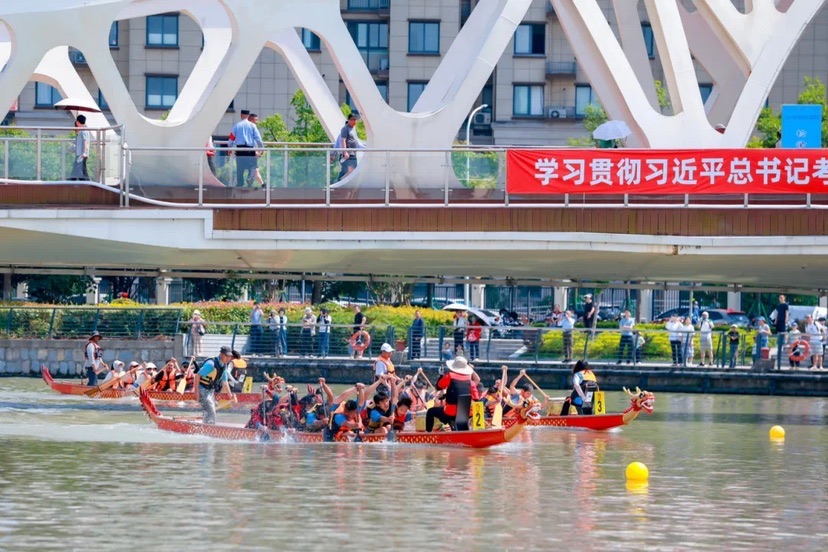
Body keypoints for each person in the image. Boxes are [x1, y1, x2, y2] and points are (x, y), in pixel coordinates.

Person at [425, 356, 476, 432]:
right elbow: (477, 398)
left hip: (450, 413)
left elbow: (439, 387)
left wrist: (441, 375)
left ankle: (428, 433)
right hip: (467, 413)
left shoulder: (450, 375)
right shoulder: (470, 380)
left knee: (430, 411)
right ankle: (454, 424)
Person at [195, 346, 235, 424]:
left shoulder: (224, 365)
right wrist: (196, 391)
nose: (228, 358)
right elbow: (197, 376)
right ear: (221, 354)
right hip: (202, 389)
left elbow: (224, 381)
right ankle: (209, 428)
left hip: (210, 391)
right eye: (227, 356)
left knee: (210, 409)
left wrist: (230, 395)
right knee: (211, 410)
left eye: (230, 356)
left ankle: (205, 425)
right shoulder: (211, 364)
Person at [229, 109, 263, 187]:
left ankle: (240, 183)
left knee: (240, 167)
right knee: (252, 166)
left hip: (239, 149)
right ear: (248, 116)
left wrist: (229, 148)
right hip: (250, 149)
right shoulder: (252, 125)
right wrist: (261, 148)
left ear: (241, 115)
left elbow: (231, 138)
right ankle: (250, 178)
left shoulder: (236, 125)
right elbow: (258, 138)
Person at [336, 113, 361, 182]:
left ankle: (342, 182)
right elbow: (343, 140)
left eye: (355, 120)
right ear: (349, 120)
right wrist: (345, 152)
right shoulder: (345, 129)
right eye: (352, 120)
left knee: (352, 171)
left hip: (353, 154)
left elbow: (355, 141)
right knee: (350, 170)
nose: (354, 121)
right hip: (348, 154)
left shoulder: (353, 129)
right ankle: (340, 182)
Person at [69, 115, 90, 181]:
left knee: (78, 170)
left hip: (81, 155)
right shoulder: (82, 131)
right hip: (80, 154)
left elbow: (85, 141)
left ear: (78, 122)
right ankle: (86, 184)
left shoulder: (84, 130)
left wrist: (84, 152)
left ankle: (71, 183)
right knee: (81, 170)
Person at [771, 295, 790, 365]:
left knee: (784, 331)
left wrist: (786, 319)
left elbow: (787, 312)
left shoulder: (785, 305)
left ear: (784, 298)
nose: (781, 299)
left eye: (782, 298)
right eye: (780, 298)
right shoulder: (778, 305)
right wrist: (775, 320)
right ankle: (779, 341)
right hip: (779, 320)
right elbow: (777, 313)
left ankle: (784, 341)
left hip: (783, 320)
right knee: (778, 331)